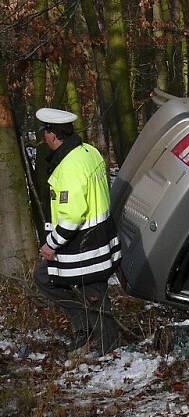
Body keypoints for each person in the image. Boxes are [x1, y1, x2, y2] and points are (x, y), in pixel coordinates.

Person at [33, 108, 121, 354]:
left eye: (44, 133)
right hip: (99, 237)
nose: (44, 138)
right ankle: (86, 329)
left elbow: (72, 216)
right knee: (48, 277)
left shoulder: (69, 166)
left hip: (83, 245)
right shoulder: (88, 151)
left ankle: (108, 348)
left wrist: (51, 244)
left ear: (51, 135)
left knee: (93, 293)